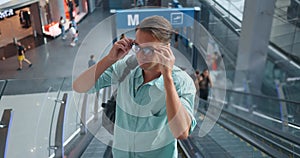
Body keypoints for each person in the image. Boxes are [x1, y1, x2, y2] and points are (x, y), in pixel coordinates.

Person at [73, 16, 197, 157]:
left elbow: (181, 132)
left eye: (149, 49)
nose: (141, 55)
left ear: (166, 49)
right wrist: (109, 59)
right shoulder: (126, 68)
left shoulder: (181, 82)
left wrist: (167, 77)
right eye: (137, 47)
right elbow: (80, 86)